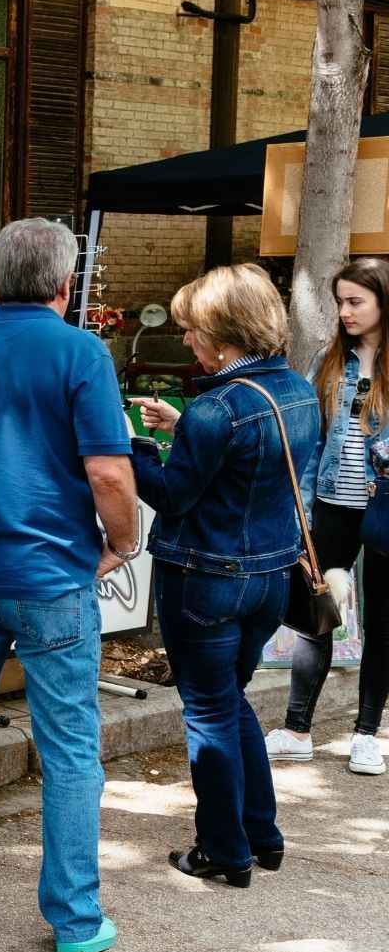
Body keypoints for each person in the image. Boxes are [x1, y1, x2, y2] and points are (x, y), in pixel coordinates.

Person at [0, 217, 137, 952]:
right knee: (70, 749)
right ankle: (74, 918)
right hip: (51, 576)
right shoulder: (81, 352)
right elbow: (108, 472)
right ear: (65, 283)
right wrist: (123, 542)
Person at [131, 265, 318, 887]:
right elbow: (249, 463)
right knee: (229, 702)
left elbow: (172, 495)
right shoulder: (295, 390)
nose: (186, 340)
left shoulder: (216, 408)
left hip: (206, 579)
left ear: (223, 332)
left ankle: (224, 850)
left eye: (191, 329)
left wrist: (133, 447)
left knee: (209, 712)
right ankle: (262, 836)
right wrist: (181, 427)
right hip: (271, 578)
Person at [266, 257, 389, 777]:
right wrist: (302, 507)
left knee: (382, 623)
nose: (345, 312)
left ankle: (367, 735)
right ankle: (297, 731)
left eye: (355, 301)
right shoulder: (330, 359)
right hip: (332, 506)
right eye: (340, 301)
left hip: (384, 510)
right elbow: (311, 439)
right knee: (318, 613)